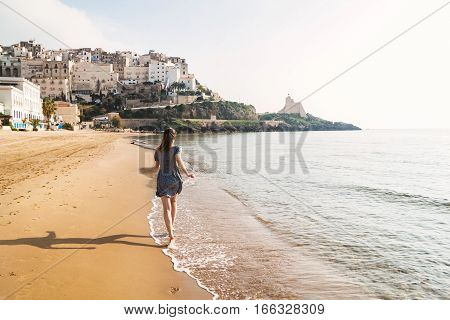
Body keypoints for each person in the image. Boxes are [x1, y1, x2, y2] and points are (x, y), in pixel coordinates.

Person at [153, 128, 194, 243]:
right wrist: (187, 173)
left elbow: (156, 168)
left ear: (163, 137)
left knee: (166, 209)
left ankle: (170, 233)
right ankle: (172, 227)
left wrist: (148, 173)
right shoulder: (176, 149)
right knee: (174, 202)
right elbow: (180, 162)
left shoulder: (158, 151)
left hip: (163, 180)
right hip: (174, 180)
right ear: (174, 137)